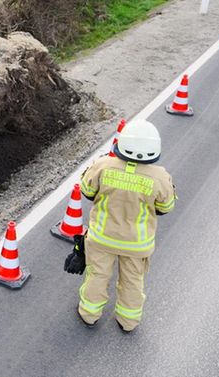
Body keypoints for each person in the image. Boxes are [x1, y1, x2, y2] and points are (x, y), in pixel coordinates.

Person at [77, 118, 176, 332]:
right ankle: (128, 321)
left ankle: (89, 314)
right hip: (137, 245)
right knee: (133, 281)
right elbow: (166, 206)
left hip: (102, 238)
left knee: (97, 275)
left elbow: (86, 190)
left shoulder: (103, 165)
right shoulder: (160, 177)